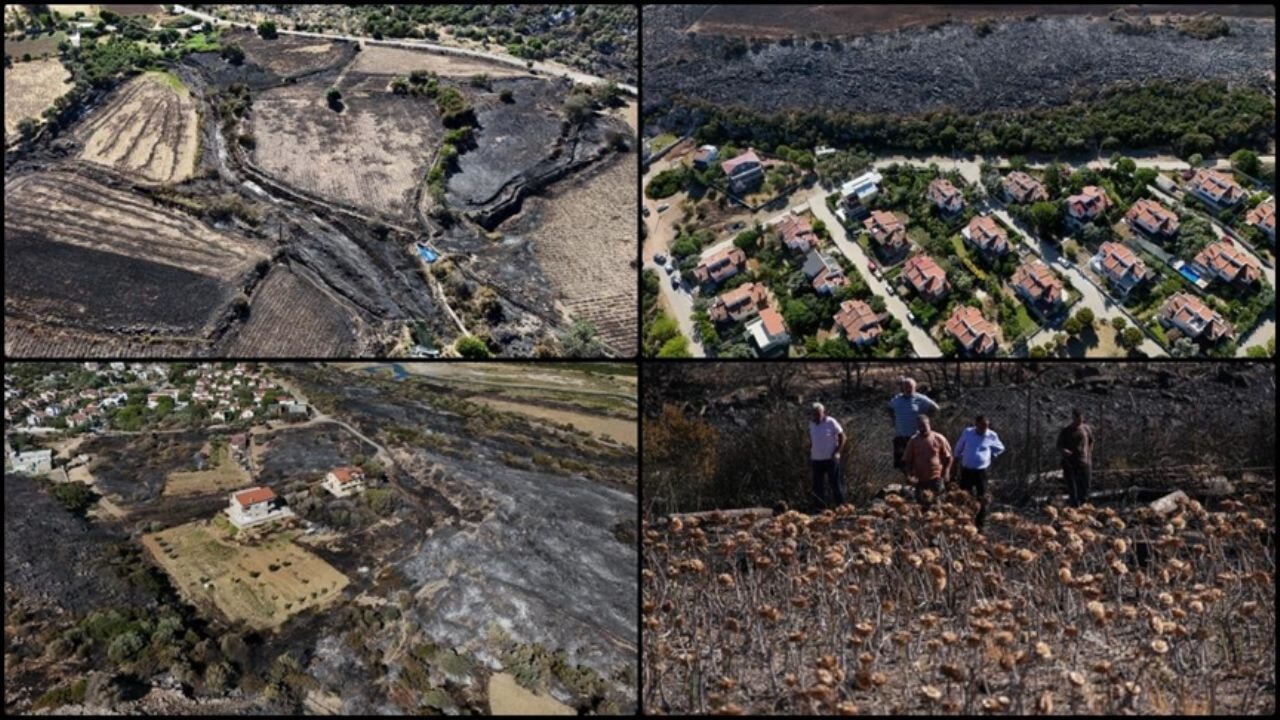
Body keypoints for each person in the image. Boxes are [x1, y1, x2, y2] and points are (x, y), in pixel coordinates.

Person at [952, 414, 1005, 529]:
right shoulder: (968, 432)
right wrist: (956, 457)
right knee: (964, 496)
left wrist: (992, 453)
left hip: (982, 472)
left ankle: (980, 525)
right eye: (982, 425)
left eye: (986, 425)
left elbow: (1000, 448)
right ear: (976, 424)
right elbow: (959, 446)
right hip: (967, 470)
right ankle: (965, 521)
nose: (984, 428)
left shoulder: (991, 435)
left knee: (982, 498)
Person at [888, 377, 939, 480]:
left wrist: (925, 419)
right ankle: (909, 481)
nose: (908, 389)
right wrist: (893, 420)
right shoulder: (897, 399)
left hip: (915, 437)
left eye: (910, 387)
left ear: (915, 387)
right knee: (902, 464)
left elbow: (935, 408)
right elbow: (889, 408)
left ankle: (919, 483)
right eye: (905, 387)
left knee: (917, 463)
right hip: (900, 436)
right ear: (902, 388)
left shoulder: (921, 399)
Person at [901, 415, 952, 506]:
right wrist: (909, 476)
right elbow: (907, 461)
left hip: (936, 479)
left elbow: (949, 457)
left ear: (929, 424)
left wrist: (947, 472)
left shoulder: (939, 438)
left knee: (937, 505)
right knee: (922, 506)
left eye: (924, 425)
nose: (922, 428)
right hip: (920, 480)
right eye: (920, 426)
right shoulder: (913, 441)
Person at [808, 402, 846, 510]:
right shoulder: (811, 424)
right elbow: (812, 439)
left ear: (823, 412)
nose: (816, 416)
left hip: (830, 458)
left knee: (835, 484)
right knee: (817, 486)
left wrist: (837, 451)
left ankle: (842, 507)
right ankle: (819, 509)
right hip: (816, 459)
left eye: (818, 413)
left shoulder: (831, 422)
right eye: (814, 414)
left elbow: (842, 436)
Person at [1057, 408, 1094, 507]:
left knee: (1085, 486)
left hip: (1084, 461)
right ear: (1073, 418)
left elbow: (1091, 441)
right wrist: (1064, 451)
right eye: (1077, 418)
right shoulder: (1067, 430)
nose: (1079, 421)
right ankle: (1074, 506)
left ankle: (1084, 505)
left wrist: (1088, 453)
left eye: (1081, 418)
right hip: (1070, 462)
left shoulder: (1086, 429)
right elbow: (1059, 445)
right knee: (1073, 487)